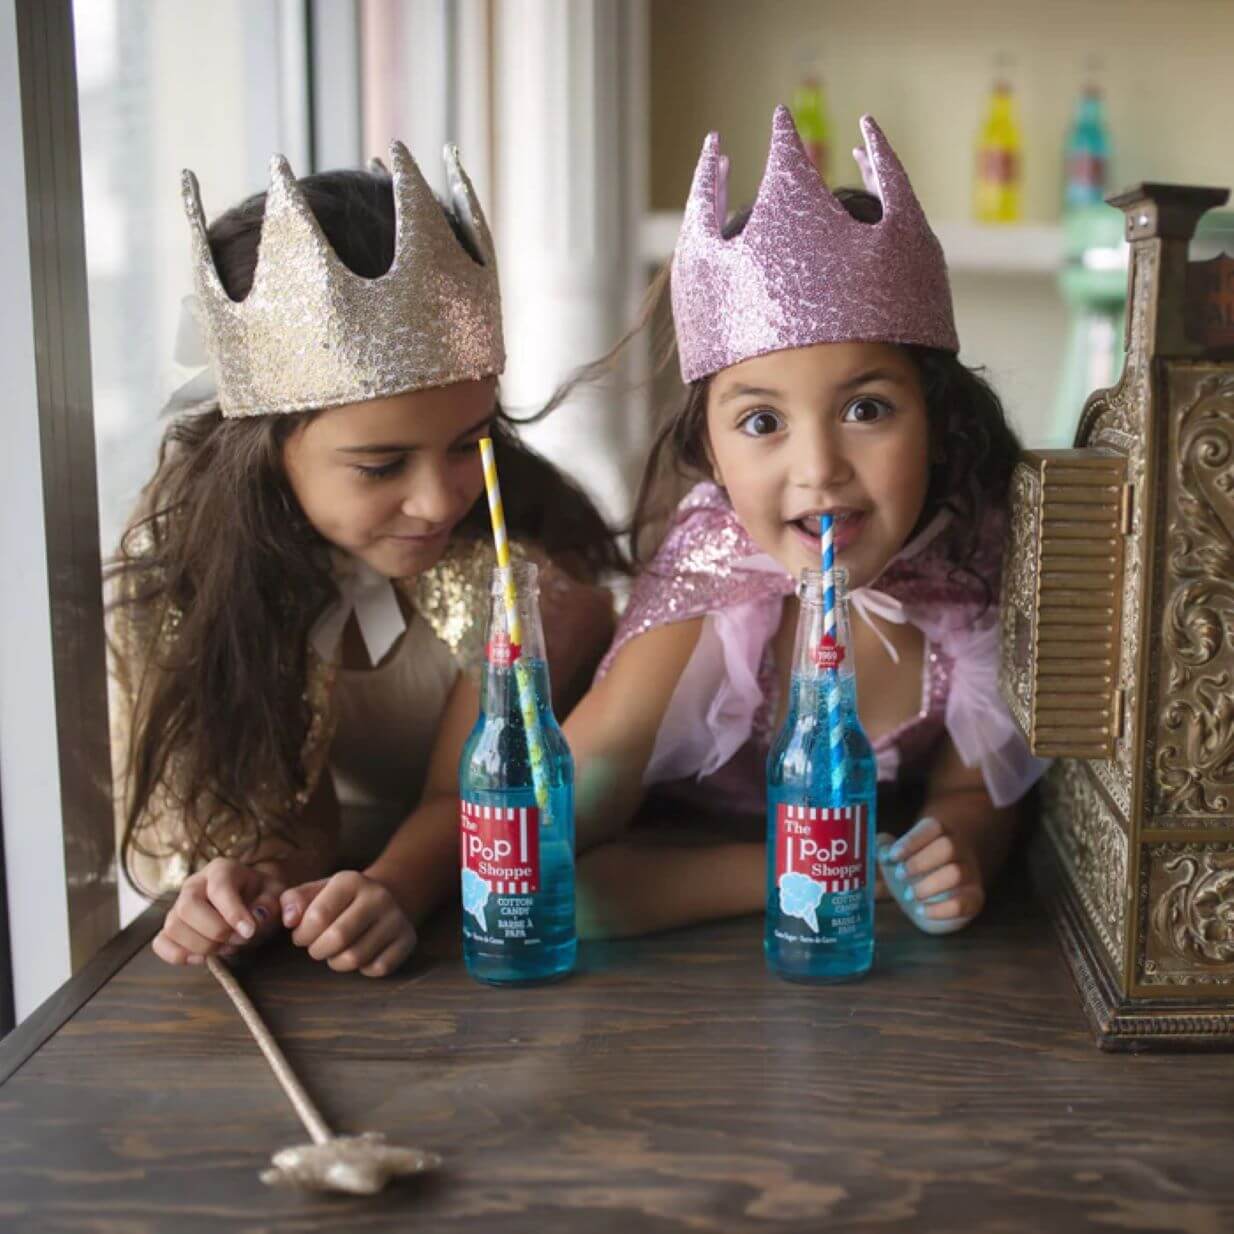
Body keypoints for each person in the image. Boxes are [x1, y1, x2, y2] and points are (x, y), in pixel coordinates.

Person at [110, 141, 621, 975]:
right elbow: (290, 822)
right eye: (382, 465)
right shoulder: (203, 587)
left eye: (470, 444)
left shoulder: (522, 573)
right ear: (264, 456)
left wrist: (390, 886)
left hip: (496, 902)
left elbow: (474, 794)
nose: (438, 499)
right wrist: (252, 887)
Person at [563, 108, 1047, 938]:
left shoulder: (976, 573)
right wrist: (820, 866)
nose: (819, 468)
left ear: (934, 423)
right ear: (710, 454)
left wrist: (960, 845)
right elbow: (546, 862)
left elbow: (973, 791)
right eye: (761, 423)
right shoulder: (704, 586)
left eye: (867, 408)